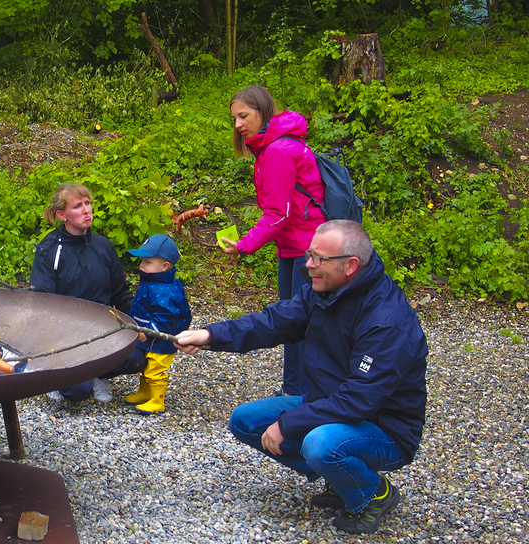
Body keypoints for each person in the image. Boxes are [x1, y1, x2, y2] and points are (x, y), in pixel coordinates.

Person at [175, 220, 427, 534]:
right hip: (330, 406)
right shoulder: (326, 290)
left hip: (385, 428)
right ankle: (342, 478)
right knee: (245, 421)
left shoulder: (387, 320)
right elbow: (273, 322)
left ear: (350, 265)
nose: (308, 265)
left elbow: (358, 400)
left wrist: (288, 424)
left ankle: (374, 493)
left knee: (320, 444)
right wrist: (210, 334)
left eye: (318, 259)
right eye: (309, 254)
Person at [223, 85, 328, 396]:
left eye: (243, 116)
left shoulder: (279, 151)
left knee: (303, 324)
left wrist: (244, 245)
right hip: (294, 247)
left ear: (263, 112)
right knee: (292, 322)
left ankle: (305, 398)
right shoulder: (275, 146)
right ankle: (294, 392)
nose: (239, 125)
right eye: (235, 119)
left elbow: (278, 213)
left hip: (306, 251)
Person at [30, 183, 140, 403]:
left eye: (87, 203)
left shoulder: (103, 247)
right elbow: (41, 305)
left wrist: (144, 322)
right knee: (76, 393)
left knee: (137, 357)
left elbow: (120, 294)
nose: (86, 210)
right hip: (65, 336)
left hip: (101, 330)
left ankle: (100, 374)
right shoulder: (50, 249)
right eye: (77, 206)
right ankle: (55, 374)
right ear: (62, 215)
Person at [124, 234, 193, 414]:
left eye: (148, 262)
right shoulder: (152, 282)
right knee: (147, 364)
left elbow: (167, 315)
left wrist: (149, 330)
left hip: (162, 338)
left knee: (155, 368)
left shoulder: (165, 289)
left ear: (165, 266)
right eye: (142, 261)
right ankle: (145, 392)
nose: (141, 265)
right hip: (149, 335)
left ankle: (157, 401)